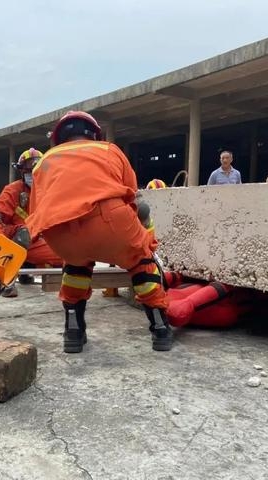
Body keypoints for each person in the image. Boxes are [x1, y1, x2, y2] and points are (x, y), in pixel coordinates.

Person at [26, 110, 173, 353]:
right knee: (140, 260)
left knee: (75, 267)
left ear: (59, 137)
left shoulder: (44, 161)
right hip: (110, 222)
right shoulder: (109, 149)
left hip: (61, 233)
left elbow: (36, 211)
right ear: (94, 133)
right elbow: (132, 195)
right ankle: (159, 328)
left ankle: (73, 331)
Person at [0, 147, 62, 296]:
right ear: (22, 172)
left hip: (35, 240)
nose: (32, 175)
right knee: (24, 232)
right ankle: (7, 278)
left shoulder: (49, 193)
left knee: (67, 256)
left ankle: (27, 266)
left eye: (36, 172)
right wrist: (2, 242)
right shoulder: (13, 190)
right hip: (11, 237)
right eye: (29, 172)